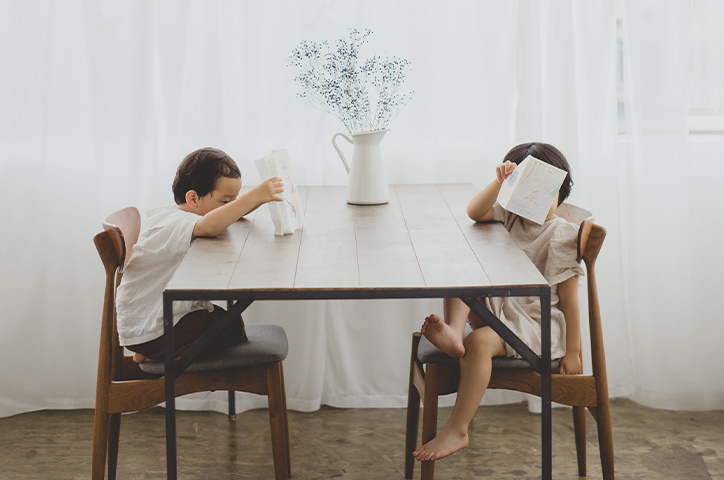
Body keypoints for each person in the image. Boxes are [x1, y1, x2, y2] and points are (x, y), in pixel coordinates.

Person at [413, 142, 585, 462]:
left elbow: (571, 301)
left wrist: (573, 351)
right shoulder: (511, 216)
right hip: (507, 308)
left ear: (561, 191)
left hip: (539, 323)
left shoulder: (562, 234)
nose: (535, 200)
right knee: (461, 266)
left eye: (546, 191)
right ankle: (453, 331)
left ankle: (458, 429)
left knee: (478, 342)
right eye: (524, 190)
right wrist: (498, 182)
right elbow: (474, 212)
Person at [115, 147, 284, 363]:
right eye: (225, 202)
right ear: (193, 199)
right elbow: (209, 226)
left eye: (234, 200)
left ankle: (156, 352)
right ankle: (154, 354)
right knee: (215, 330)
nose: (230, 208)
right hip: (150, 326)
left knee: (233, 325)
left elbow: (221, 217)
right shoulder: (175, 223)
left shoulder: (184, 215)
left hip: (162, 317)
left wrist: (258, 200)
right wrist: (254, 195)